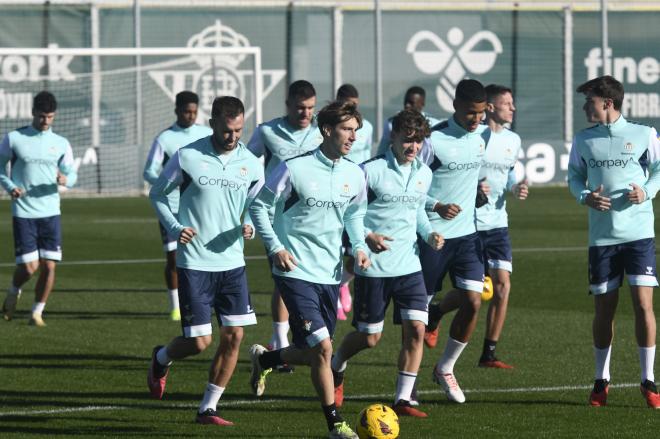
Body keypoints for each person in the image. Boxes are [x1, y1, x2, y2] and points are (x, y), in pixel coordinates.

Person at [249, 100, 370, 439]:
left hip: (329, 274)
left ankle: (267, 360)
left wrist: (358, 245)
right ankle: (335, 424)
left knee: (313, 350)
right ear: (327, 130)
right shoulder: (293, 168)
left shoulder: (354, 173)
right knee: (324, 348)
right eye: (347, 129)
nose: (352, 137)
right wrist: (275, 248)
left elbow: (355, 215)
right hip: (294, 270)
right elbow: (259, 207)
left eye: (355, 131)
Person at [146, 96, 264, 425]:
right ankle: (161, 358)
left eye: (239, 130)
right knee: (199, 342)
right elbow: (157, 193)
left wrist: (251, 225)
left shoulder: (252, 163)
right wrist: (175, 227)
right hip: (195, 263)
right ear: (212, 124)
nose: (233, 137)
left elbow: (257, 204)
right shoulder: (188, 156)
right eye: (227, 130)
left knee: (235, 335)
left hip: (232, 262)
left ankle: (208, 407)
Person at [330, 109, 444, 419]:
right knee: (370, 337)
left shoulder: (424, 173)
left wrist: (430, 232)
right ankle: (337, 363)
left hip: (410, 267)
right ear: (392, 137)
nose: (413, 147)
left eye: (418, 141)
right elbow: (347, 213)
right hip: (374, 269)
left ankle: (403, 399)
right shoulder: (369, 171)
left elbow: (418, 210)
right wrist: (366, 237)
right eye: (407, 140)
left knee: (417, 330)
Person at [567, 75, 660, 408]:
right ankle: (601, 380)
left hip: (638, 236)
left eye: (588, 99)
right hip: (602, 239)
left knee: (643, 306)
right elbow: (574, 177)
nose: (583, 106)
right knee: (604, 310)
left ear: (607, 102)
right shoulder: (583, 139)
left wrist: (646, 190)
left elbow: (659, 168)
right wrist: (585, 197)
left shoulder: (644, 133)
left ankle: (648, 381)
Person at [417, 79, 487, 404]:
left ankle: (445, 368)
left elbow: (467, 179)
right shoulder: (434, 140)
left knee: (474, 300)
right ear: (456, 105)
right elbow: (412, 184)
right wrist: (436, 206)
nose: (477, 120)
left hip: (468, 236)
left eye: (482, 113)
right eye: (472, 113)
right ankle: (409, 384)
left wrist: (477, 193)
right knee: (416, 318)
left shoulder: (480, 138)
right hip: (432, 236)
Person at [247, 80, 323, 359]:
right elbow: (245, 162)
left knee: (311, 276)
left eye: (311, 108)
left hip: (314, 216)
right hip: (276, 216)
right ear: (288, 105)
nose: (306, 114)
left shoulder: (321, 130)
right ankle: (279, 337)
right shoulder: (267, 131)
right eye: (301, 108)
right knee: (285, 276)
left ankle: (300, 335)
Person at [0, 91, 77, 327]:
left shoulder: (61, 143)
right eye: (42, 116)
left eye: (50, 117)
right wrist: (10, 186)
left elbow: (72, 174)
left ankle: (37, 312)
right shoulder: (14, 138)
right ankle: (14, 290)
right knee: (29, 267)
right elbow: (1, 169)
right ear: (33, 113)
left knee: (50, 265)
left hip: (51, 211)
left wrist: (66, 179)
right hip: (24, 211)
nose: (46, 121)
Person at [143, 91, 212, 321]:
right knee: (173, 258)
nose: (190, 116)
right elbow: (149, 171)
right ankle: (175, 306)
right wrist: (169, 182)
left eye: (194, 112)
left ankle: (202, 300)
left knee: (202, 255)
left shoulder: (206, 134)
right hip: (171, 208)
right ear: (177, 111)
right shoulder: (165, 138)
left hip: (200, 207)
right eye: (186, 111)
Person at [474, 84, 528, 368]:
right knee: (469, 295)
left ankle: (489, 353)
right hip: (469, 224)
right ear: (491, 107)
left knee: (502, 287)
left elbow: (508, 175)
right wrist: (473, 187)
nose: (513, 108)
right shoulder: (474, 137)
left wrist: (516, 186)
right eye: (507, 103)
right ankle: (434, 314)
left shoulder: (513, 140)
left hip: (497, 222)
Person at [335, 83, 374, 319]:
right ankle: (334, 292)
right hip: (332, 192)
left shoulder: (367, 127)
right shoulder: (328, 126)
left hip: (355, 192)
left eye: (355, 106)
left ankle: (341, 284)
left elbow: (366, 157)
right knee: (333, 248)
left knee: (355, 249)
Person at [376, 86, 441, 156]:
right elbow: (382, 151)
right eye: (406, 101)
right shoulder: (392, 123)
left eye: (411, 103)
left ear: (422, 104)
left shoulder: (434, 125)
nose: (407, 105)